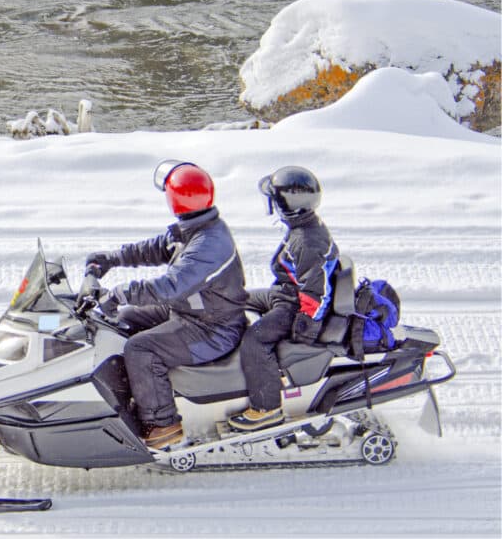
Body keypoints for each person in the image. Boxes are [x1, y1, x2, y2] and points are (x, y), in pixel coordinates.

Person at [85, 160, 248, 450]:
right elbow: (156, 248)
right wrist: (112, 258)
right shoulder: (196, 227)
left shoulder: (209, 244)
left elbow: (170, 286)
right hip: (193, 310)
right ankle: (136, 392)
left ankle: (163, 426)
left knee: (141, 348)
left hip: (213, 328)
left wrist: (122, 291)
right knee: (125, 319)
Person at [228, 166, 339, 432]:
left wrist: (302, 332)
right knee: (233, 300)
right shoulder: (303, 226)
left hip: (294, 305)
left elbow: (315, 293)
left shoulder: (307, 241)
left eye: (276, 202)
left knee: (254, 340)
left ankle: (267, 407)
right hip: (284, 293)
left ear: (287, 206)